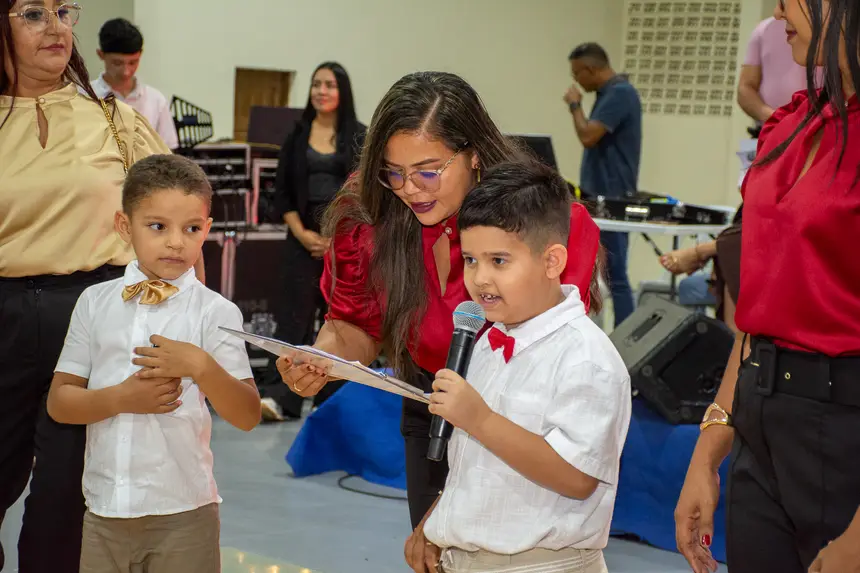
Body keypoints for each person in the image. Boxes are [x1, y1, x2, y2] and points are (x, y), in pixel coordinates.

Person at [275, 71, 601, 569]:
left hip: (521, 419)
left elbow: (539, 360)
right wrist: (322, 360)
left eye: (428, 171)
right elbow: (356, 324)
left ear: (474, 155)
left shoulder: (543, 225)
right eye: (393, 172)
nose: (409, 189)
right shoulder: (372, 213)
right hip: (432, 409)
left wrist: (446, 511)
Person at [675, 2, 860, 573]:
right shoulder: (790, 123)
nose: (778, 8)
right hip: (759, 422)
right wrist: (708, 450)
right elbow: (760, 315)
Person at [0, 1, 171, 569]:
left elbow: (171, 214)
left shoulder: (114, 120)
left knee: (66, 494)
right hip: (4, 313)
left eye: (62, 11)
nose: (55, 27)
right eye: (32, 13)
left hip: (93, 315)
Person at [47, 154, 260, 573]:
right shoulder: (94, 302)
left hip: (184, 513)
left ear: (207, 230)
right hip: (104, 512)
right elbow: (59, 402)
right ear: (125, 226)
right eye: (158, 226)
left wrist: (202, 366)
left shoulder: (216, 312)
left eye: (191, 228)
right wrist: (122, 398)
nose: (176, 242)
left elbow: (248, 415)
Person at [418, 161, 631, 573]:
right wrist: (438, 522)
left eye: (498, 261)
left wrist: (480, 419)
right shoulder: (488, 340)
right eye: (471, 260)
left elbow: (577, 478)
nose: (480, 278)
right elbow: (475, 465)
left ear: (552, 261)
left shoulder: (586, 358)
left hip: (542, 564)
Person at [258, 62, 366, 421]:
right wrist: (302, 233)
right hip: (301, 239)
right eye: (316, 84)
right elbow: (282, 191)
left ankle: (328, 403)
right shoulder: (297, 134)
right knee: (293, 319)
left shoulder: (359, 136)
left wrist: (337, 238)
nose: (321, 91)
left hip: (346, 241)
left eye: (329, 85)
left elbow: (367, 194)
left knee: (339, 323)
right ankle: (280, 399)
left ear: (343, 91)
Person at [564, 42, 641, 327]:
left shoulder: (620, 93)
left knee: (616, 276)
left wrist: (575, 105)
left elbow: (588, 136)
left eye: (577, 73)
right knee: (600, 273)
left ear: (591, 69)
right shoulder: (608, 93)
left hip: (613, 196)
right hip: (598, 194)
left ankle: (625, 340)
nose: (576, 81)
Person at [92, 18, 179, 150]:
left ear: (140, 55)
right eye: (117, 63)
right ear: (101, 55)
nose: (126, 72)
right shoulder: (86, 96)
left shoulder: (156, 100)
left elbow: (167, 151)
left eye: (133, 62)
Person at [737, 15, 810, 124]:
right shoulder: (763, 29)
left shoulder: (831, 30)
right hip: (770, 127)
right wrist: (775, 118)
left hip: (823, 128)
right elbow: (745, 87)